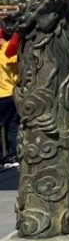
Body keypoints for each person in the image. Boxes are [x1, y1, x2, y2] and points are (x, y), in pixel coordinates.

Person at [0, 17, 19, 168]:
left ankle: (1, 156)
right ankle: (12, 156)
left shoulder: (5, 50)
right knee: (12, 125)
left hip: (2, 94)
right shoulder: (11, 50)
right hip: (13, 92)